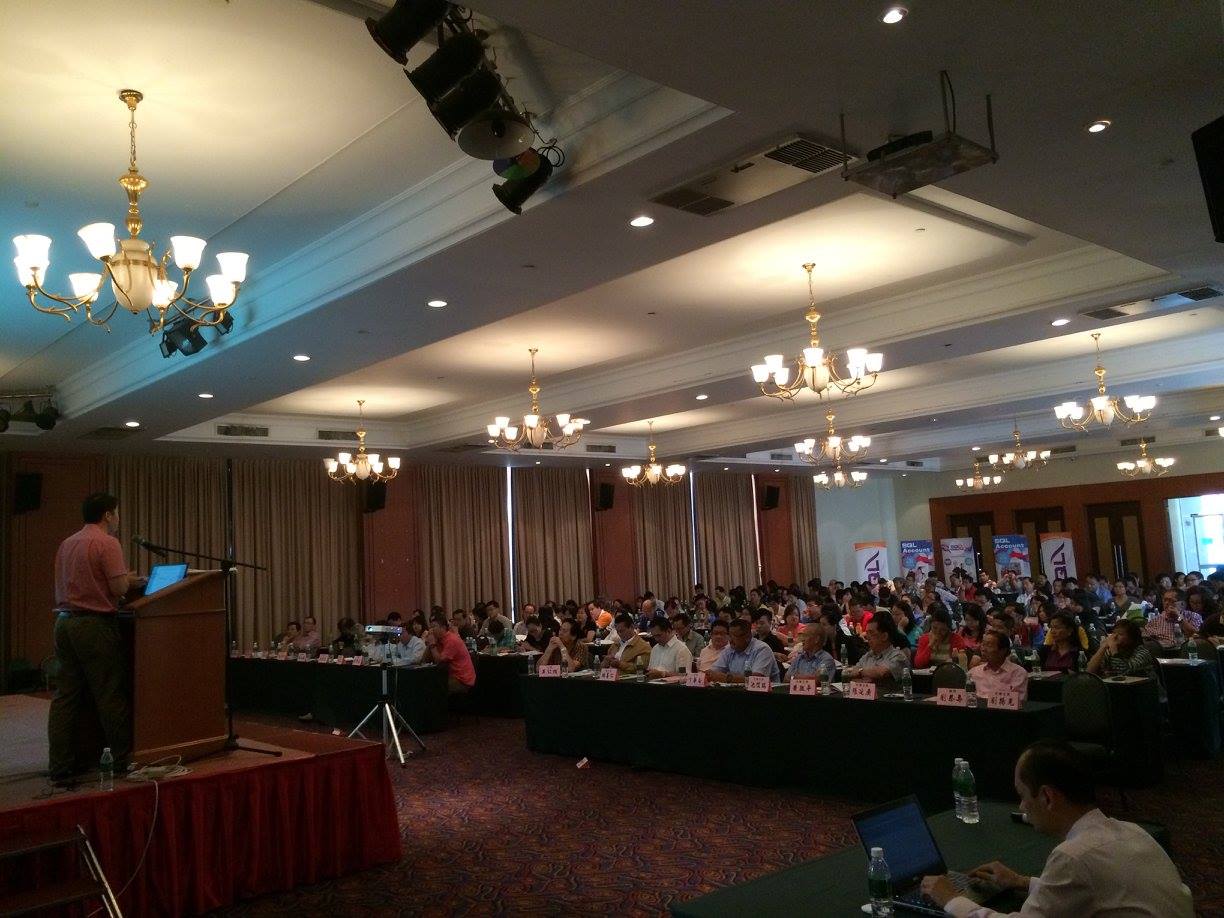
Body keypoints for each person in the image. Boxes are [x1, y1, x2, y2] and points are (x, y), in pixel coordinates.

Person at [921, 740, 1193, 917]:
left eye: (1023, 796)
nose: (1022, 806)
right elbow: (1092, 893)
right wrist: (1022, 882)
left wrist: (951, 899)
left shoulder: (1073, 857)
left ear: (1047, 797)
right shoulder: (1134, 831)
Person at [48, 492, 145, 782]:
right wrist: (129, 580)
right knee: (109, 694)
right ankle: (122, 760)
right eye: (116, 512)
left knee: (65, 696)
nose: (118, 518)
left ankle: (60, 765)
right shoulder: (107, 542)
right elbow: (118, 589)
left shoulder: (68, 543)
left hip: (64, 623)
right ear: (107, 515)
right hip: (93, 625)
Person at [843, 616, 908, 691]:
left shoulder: (898, 656)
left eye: (871, 633)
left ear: (884, 636)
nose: (867, 637)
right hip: (865, 696)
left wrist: (860, 672)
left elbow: (882, 672)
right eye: (867, 633)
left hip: (889, 697)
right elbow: (852, 672)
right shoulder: (868, 655)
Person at [707, 619, 780, 683]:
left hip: (764, 693)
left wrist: (728, 678)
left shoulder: (762, 649)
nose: (730, 640)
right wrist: (711, 675)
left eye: (734, 636)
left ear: (747, 637)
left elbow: (757, 680)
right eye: (729, 635)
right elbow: (713, 672)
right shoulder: (729, 649)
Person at [968, 630, 1028, 701]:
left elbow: (1016, 701)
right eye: (983, 645)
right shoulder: (974, 672)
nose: (983, 649)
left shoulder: (1018, 673)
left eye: (989, 645)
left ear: (1003, 650)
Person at [424, 612, 476, 692]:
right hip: (450, 675)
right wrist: (429, 643)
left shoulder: (451, 640)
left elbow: (439, 661)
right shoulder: (438, 639)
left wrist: (432, 645)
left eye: (434, 627)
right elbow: (424, 660)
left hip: (462, 679)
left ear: (443, 627)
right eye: (430, 627)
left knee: (433, 687)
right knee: (425, 681)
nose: (431, 630)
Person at [1087, 620, 1155, 677]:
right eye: (1113, 633)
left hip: (1141, 688)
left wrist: (1114, 649)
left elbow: (1124, 672)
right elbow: (1090, 671)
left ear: (1131, 638)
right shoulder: (1110, 651)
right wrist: (1103, 647)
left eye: (1120, 634)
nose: (1114, 637)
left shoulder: (1142, 653)